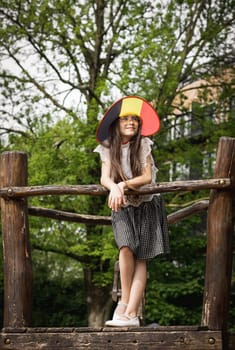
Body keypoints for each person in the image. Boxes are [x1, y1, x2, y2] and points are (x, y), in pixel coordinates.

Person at [94, 96, 169, 327]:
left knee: (142, 258)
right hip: (122, 205)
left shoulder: (143, 144)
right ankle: (124, 304)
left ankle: (132, 314)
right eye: (125, 119)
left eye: (134, 120)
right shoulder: (107, 147)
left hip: (147, 204)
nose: (130, 123)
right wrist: (114, 187)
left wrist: (123, 185)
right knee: (125, 247)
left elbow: (147, 177)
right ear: (116, 123)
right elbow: (104, 177)